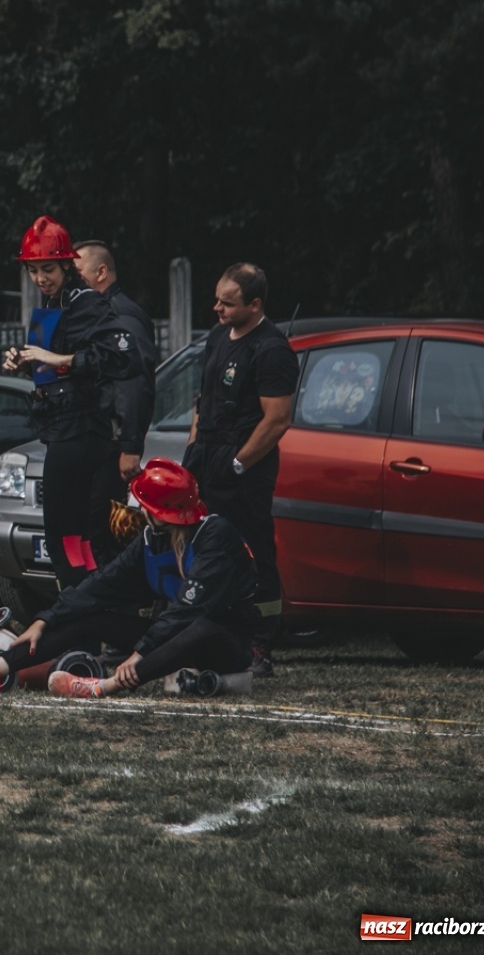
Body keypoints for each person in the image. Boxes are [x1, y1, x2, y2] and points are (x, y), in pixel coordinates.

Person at [0, 459, 260, 699]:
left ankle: (103, 687)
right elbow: (99, 586)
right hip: (171, 640)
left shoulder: (215, 535)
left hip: (226, 646)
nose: (138, 509)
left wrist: (140, 653)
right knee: (89, 617)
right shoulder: (151, 540)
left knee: (199, 626)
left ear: (161, 513)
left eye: (144, 504)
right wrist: (45, 620)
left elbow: (189, 611)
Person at [1, 216, 136, 590]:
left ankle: (81, 612)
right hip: (60, 428)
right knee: (72, 535)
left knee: (67, 533)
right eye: (33, 271)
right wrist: (25, 360)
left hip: (82, 431)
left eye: (47, 269)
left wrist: (59, 359)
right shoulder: (50, 305)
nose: (40, 278)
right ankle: (84, 612)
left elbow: (124, 356)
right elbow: (49, 368)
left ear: (66, 265)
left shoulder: (86, 302)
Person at [183, 263, 298, 676]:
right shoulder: (217, 337)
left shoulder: (271, 349)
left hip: (243, 469)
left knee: (252, 554)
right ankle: (213, 632)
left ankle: (260, 644)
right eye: (216, 300)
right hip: (206, 458)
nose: (217, 309)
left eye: (227, 303)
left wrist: (238, 463)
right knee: (206, 550)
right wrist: (193, 452)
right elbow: (203, 401)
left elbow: (277, 419)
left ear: (255, 305)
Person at [74, 241, 159, 567]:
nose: (73, 280)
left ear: (101, 272)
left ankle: (116, 613)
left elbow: (133, 383)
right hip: (92, 439)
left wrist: (129, 446)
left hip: (110, 446)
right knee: (88, 531)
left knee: (105, 533)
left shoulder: (121, 315)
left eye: (78, 273)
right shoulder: (90, 313)